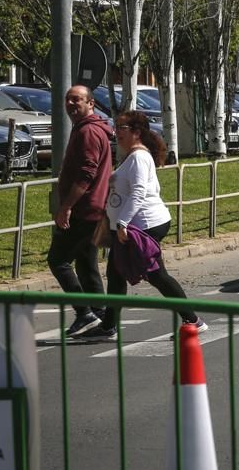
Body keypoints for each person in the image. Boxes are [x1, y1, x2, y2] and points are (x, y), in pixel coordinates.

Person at [77, 110, 206, 339]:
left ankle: (193, 320)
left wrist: (124, 222)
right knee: (116, 273)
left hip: (142, 225)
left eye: (122, 128)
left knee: (156, 274)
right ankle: (108, 326)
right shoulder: (132, 156)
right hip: (131, 225)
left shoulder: (138, 157)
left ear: (136, 132)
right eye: (116, 127)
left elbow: (139, 192)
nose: (117, 133)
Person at [49, 85, 113, 338]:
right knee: (87, 264)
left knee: (58, 260)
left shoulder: (87, 132)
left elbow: (87, 173)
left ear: (90, 104)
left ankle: (84, 312)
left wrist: (66, 207)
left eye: (77, 100)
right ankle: (99, 316)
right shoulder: (88, 129)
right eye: (68, 100)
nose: (71, 104)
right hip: (94, 209)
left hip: (85, 210)